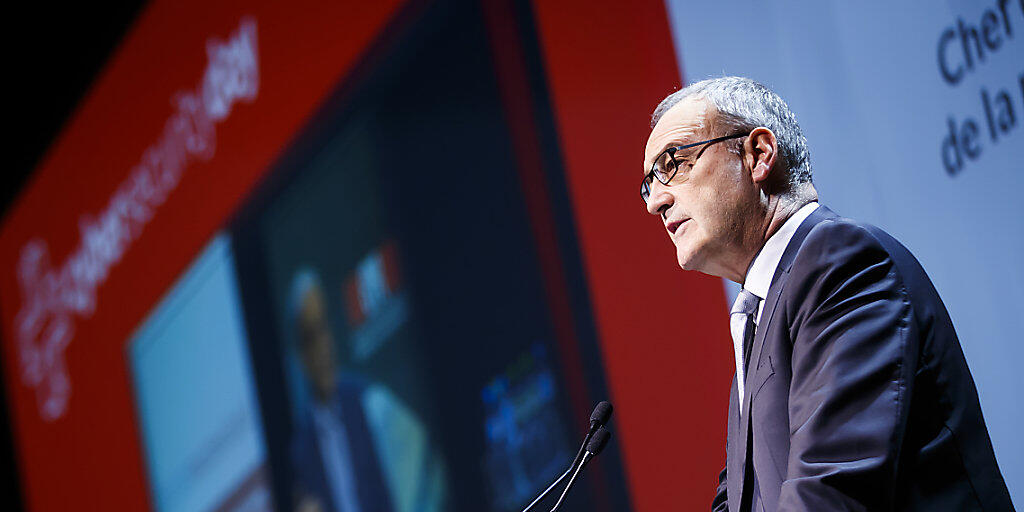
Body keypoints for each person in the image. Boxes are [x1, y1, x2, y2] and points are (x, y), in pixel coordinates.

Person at [641, 77, 1013, 511]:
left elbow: (832, 487)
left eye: (673, 163)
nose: (655, 202)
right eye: (649, 183)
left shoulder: (839, 262)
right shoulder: (761, 316)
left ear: (758, 155)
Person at [287, 268, 446, 512]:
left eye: (325, 328)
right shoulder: (301, 450)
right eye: (311, 337)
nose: (324, 347)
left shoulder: (372, 402)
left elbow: (429, 475)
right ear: (300, 356)